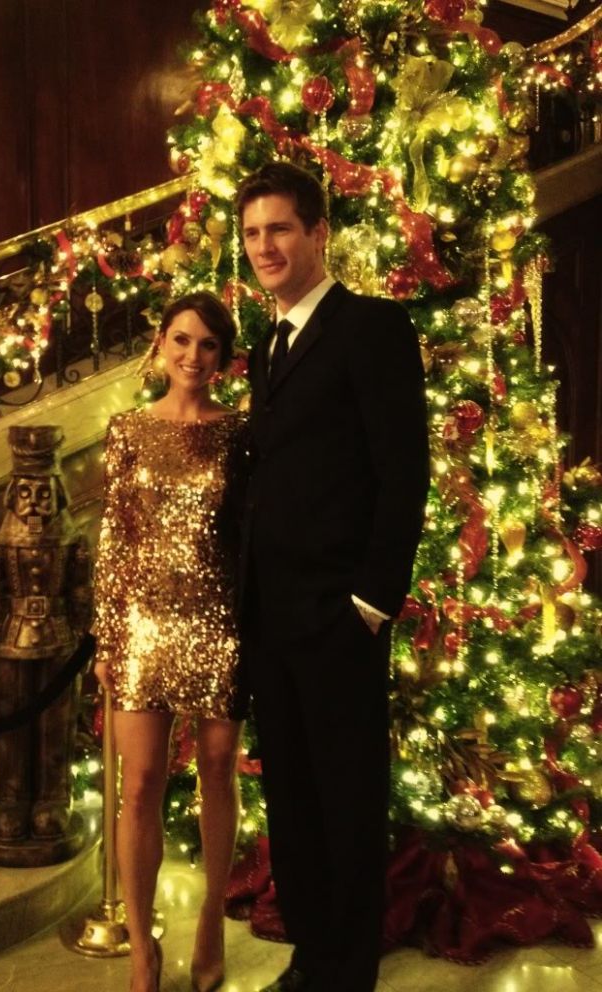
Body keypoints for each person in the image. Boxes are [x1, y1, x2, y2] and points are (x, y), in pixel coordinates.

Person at [236, 161, 430, 992]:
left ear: (319, 233)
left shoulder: (372, 327)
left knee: (347, 801)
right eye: (252, 233)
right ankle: (312, 958)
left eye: (280, 228)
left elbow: (403, 472)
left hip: (337, 617)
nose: (265, 246)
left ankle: (347, 974)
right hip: (270, 618)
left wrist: (370, 603)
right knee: (293, 800)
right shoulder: (265, 345)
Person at [92, 290, 249, 992]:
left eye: (207, 344)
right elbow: (114, 539)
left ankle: (211, 921)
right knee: (141, 783)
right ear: (160, 344)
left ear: (223, 358)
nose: (192, 355)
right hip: (142, 626)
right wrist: (107, 637)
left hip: (220, 623)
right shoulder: (128, 429)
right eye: (182, 339)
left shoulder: (240, 433)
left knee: (217, 771)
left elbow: (251, 537)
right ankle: (141, 949)